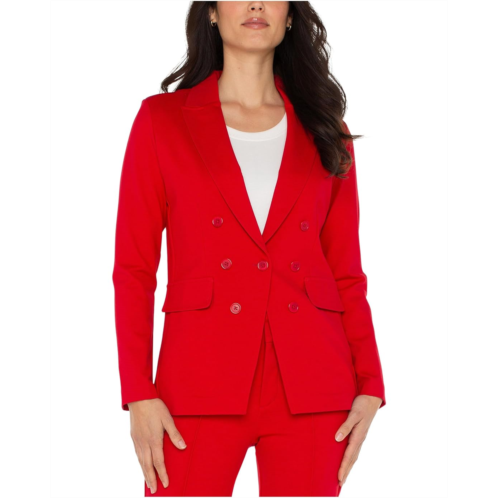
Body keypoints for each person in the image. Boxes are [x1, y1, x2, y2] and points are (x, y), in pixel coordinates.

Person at [113, 2, 386, 496]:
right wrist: (138, 392)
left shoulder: (327, 126)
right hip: (197, 377)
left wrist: (370, 382)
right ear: (212, 13)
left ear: (290, 15)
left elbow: (346, 270)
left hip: (313, 383)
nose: (256, 3)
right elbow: (134, 268)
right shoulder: (162, 120)